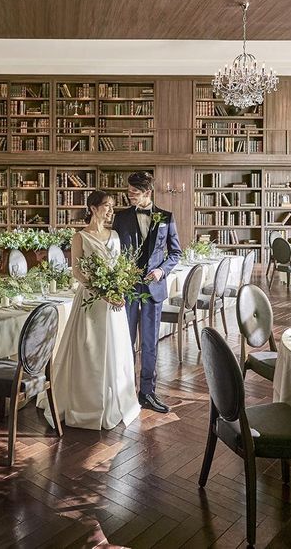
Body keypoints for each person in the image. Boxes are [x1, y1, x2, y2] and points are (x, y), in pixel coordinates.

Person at [44, 190, 140, 430]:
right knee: (89, 348)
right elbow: (77, 272)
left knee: (115, 347)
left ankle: (114, 400)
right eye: (106, 206)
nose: (111, 211)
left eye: (112, 206)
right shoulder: (80, 237)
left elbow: (119, 267)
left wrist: (119, 289)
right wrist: (102, 292)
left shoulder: (115, 235)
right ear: (93, 208)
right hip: (90, 300)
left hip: (113, 301)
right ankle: (86, 404)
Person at [112, 171, 182, 413]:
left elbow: (176, 253)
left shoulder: (166, 217)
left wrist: (162, 271)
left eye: (134, 192)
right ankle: (125, 392)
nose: (129, 196)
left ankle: (147, 393)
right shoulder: (121, 218)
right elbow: (114, 252)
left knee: (150, 343)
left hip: (154, 289)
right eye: (129, 191)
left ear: (148, 193)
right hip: (128, 289)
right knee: (126, 341)